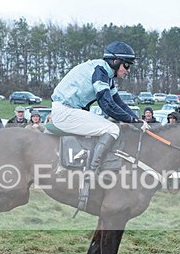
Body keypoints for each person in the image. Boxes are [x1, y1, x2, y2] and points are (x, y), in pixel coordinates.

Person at [50, 41, 142, 176]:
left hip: (71, 110)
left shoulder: (106, 75)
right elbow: (107, 105)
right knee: (112, 129)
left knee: (107, 127)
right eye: (127, 65)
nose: (128, 70)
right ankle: (92, 171)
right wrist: (131, 120)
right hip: (65, 112)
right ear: (115, 61)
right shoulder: (100, 72)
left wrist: (138, 120)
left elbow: (119, 103)